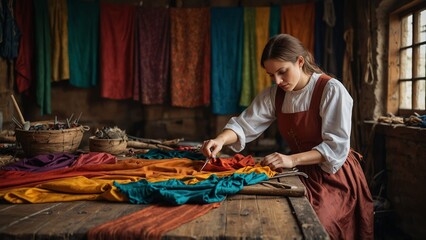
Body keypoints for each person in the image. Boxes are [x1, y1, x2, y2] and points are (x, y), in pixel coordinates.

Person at [201, 34, 374, 240]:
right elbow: (244, 125)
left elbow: (335, 147)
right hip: (299, 171)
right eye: (271, 75)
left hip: (334, 175)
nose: (278, 81)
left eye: (282, 72)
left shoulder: (331, 90)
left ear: (300, 61)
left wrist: (290, 159)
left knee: (317, 227)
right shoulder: (275, 95)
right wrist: (220, 139)